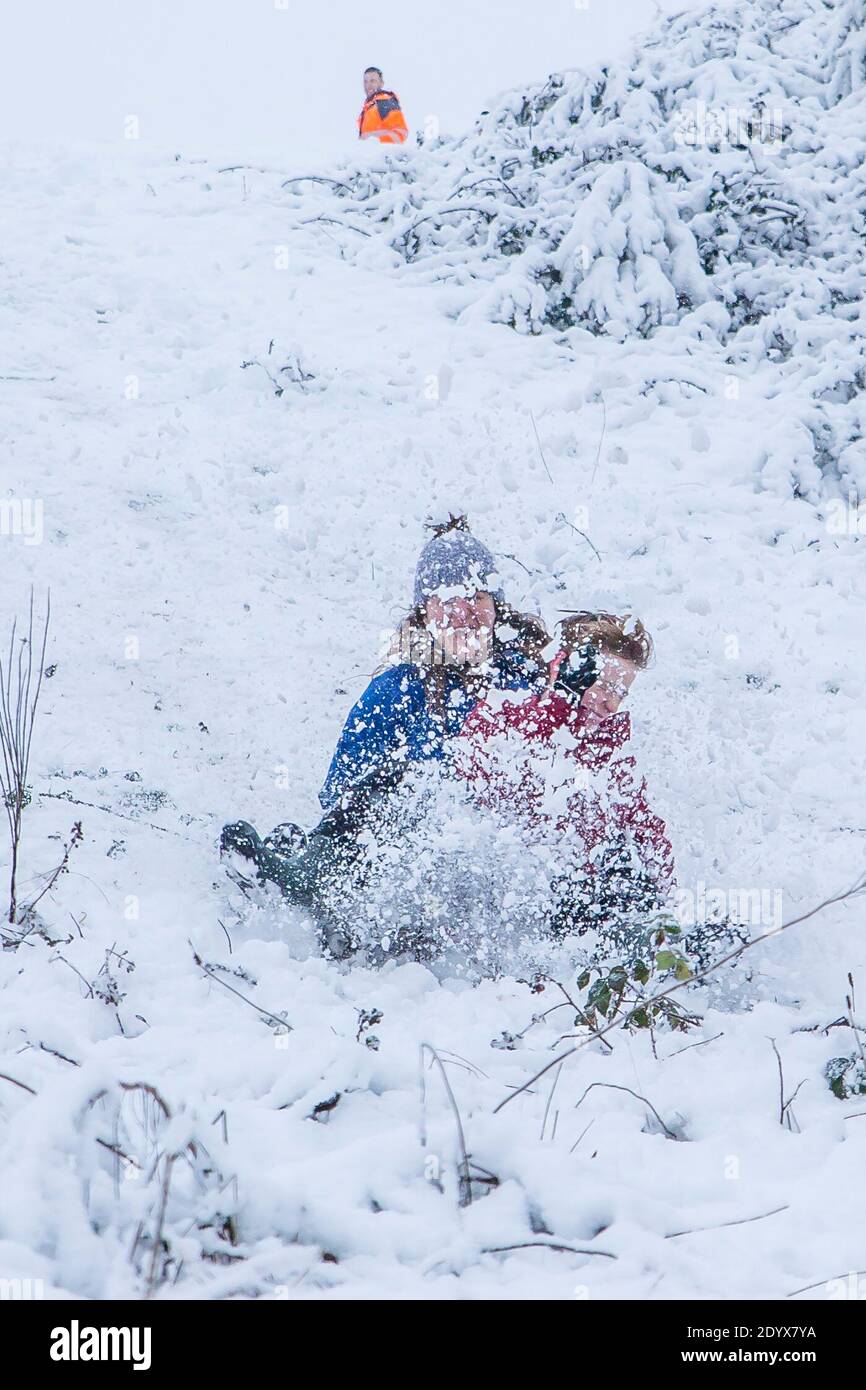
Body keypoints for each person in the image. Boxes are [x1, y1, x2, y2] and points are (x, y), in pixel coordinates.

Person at [220, 516, 550, 955]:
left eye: (477, 598)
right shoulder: (398, 689)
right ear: (425, 615)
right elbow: (342, 788)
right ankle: (313, 881)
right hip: (401, 860)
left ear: (497, 606)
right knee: (401, 782)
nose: (464, 614)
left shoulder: (531, 679)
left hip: (500, 861)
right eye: (446, 603)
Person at [455, 612, 674, 938]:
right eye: (604, 687)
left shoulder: (607, 745)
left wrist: (668, 895)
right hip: (507, 883)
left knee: (625, 869)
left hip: (577, 893)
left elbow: (641, 822)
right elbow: (481, 779)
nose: (611, 704)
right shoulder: (511, 716)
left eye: (620, 693)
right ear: (571, 673)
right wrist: (557, 707)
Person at [357, 67, 409, 144]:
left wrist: (372, 140)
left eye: (372, 81)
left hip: (385, 154)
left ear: (381, 83)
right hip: (371, 154)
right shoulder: (368, 108)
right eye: (366, 81)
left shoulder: (385, 102)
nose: (368, 85)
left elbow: (401, 133)